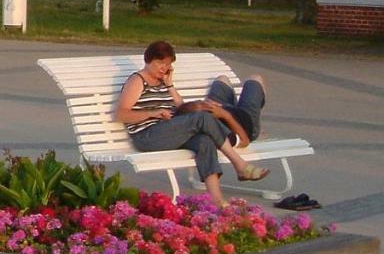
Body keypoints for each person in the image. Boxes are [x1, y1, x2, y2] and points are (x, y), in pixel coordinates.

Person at [116, 40, 270, 208]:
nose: (163, 68)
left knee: (205, 140)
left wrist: (170, 85)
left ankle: (218, 201)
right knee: (201, 117)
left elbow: (180, 108)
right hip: (147, 135)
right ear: (148, 60)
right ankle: (240, 164)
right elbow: (121, 113)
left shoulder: (163, 82)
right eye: (160, 63)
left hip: (167, 132)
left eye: (167, 64)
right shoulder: (137, 80)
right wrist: (152, 113)